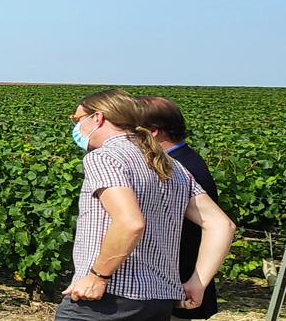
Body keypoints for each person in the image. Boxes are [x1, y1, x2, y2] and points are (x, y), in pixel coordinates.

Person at [58, 90, 235, 321]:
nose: (77, 127)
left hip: (109, 298)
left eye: (78, 119)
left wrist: (97, 277)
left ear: (98, 118)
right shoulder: (169, 164)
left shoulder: (105, 158)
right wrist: (197, 283)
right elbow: (222, 225)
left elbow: (130, 223)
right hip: (158, 301)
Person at [136, 96, 221, 321]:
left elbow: (213, 227)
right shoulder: (182, 160)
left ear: (152, 132)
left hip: (176, 286)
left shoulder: (178, 170)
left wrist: (195, 281)